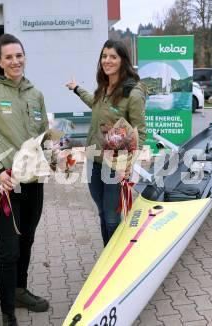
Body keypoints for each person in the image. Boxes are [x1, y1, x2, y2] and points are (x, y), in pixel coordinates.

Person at [0, 34, 49, 326]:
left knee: (26, 242)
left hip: (33, 183)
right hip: (5, 185)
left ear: (24, 58)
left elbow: (44, 137)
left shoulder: (35, 93)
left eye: (19, 55)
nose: (15, 61)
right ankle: (6, 312)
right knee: (9, 250)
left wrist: (56, 158)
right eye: (9, 57)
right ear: (0, 62)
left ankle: (20, 291)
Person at [66, 39, 146, 246]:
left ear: (123, 60)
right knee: (102, 211)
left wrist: (129, 165)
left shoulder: (133, 92)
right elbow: (94, 103)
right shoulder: (104, 87)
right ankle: (107, 255)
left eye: (113, 56)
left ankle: (115, 262)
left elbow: (141, 133)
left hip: (115, 166)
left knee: (112, 217)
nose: (107, 60)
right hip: (94, 159)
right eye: (104, 56)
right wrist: (76, 89)